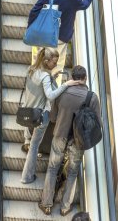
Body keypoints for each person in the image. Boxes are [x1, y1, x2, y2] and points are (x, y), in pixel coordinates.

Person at [39, 65, 102, 216]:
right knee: (73, 173)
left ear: (72, 78)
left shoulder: (62, 92)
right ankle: (65, 207)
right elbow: (97, 123)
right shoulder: (92, 97)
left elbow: (53, 117)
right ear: (85, 78)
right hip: (78, 142)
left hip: (60, 135)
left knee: (53, 168)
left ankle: (46, 204)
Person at [28, 0, 99, 84]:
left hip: (43, 34)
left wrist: (31, 27)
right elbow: (84, 5)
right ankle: (53, 88)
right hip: (60, 38)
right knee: (57, 65)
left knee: (38, 59)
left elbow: (34, 11)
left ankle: (34, 83)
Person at [21, 48, 80, 184]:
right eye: (54, 62)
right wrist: (66, 84)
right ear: (46, 61)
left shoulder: (31, 70)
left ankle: (27, 143)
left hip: (29, 113)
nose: (55, 64)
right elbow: (51, 96)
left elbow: (38, 87)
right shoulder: (45, 76)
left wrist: (52, 78)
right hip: (41, 117)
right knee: (34, 146)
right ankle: (26, 177)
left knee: (33, 143)